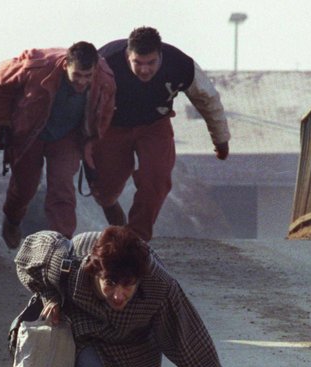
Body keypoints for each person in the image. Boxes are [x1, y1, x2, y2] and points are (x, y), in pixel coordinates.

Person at [14, 226, 225, 367]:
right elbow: (26, 258)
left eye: (128, 285)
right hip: (86, 336)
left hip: (137, 349)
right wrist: (50, 297)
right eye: (111, 283)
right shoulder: (70, 264)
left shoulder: (158, 285)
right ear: (96, 272)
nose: (118, 295)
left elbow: (185, 333)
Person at [91, 26, 231, 241]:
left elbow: (208, 99)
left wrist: (220, 139)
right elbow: (80, 100)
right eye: (138, 63)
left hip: (154, 125)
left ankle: (137, 237)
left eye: (151, 63)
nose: (145, 70)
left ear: (160, 56)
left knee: (157, 176)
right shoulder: (104, 61)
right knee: (106, 185)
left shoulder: (181, 64)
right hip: (112, 126)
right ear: (128, 56)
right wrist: (83, 141)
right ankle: (108, 201)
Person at [0, 42, 116, 249]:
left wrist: (91, 144)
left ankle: (61, 242)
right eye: (77, 75)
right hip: (30, 133)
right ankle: (12, 219)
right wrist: (3, 119)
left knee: (62, 186)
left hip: (67, 137)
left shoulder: (105, 80)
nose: (82, 82)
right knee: (25, 186)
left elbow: (105, 114)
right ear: (66, 66)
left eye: (88, 76)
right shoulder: (35, 67)